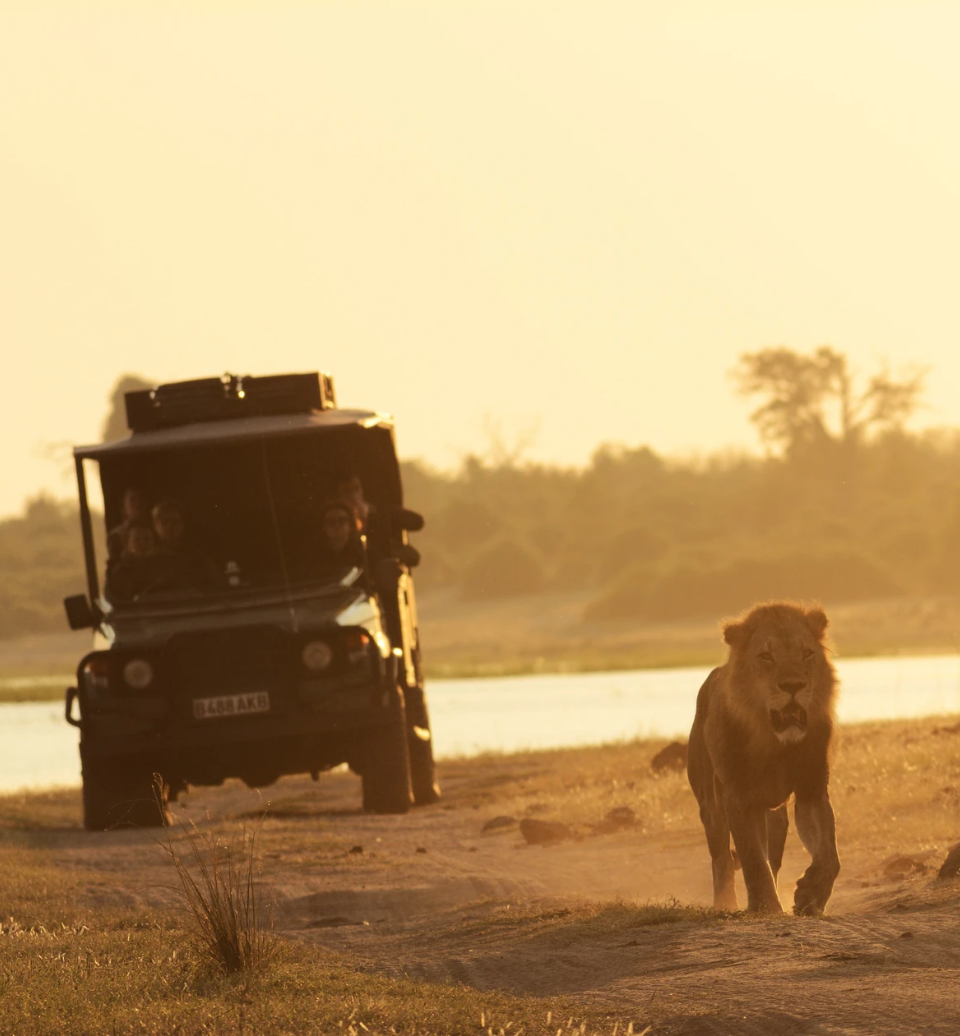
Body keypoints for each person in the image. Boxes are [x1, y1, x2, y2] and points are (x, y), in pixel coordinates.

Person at [106, 523, 160, 602]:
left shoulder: (164, 566)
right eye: (137, 539)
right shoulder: (120, 573)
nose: (143, 544)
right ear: (126, 544)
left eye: (147, 538)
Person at [107, 488, 149, 564]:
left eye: (140, 499)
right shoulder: (116, 536)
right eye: (132, 500)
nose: (137, 503)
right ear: (124, 506)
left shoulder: (155, 530)